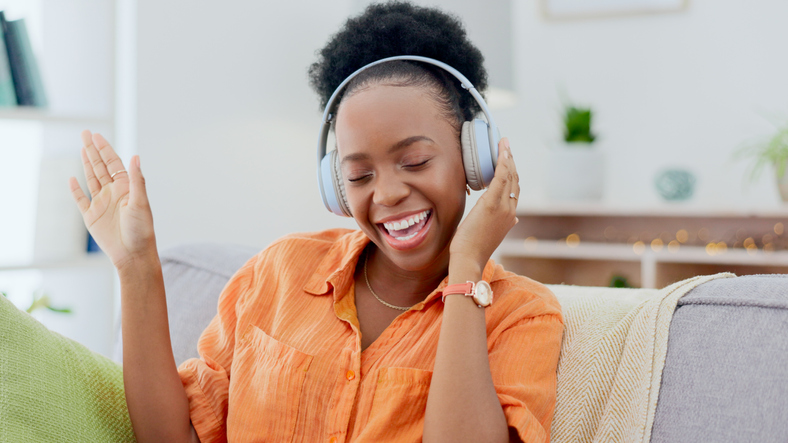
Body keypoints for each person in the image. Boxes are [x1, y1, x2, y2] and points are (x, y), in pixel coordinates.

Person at [68, 2, 563, 442]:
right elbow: (170, 436)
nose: (387, 193)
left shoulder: (522, 316)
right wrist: (135, 265)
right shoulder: (279, 272)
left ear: (473, 158)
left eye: (414, 162)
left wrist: (466, 266)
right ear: (335, 185)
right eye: (359, 174)